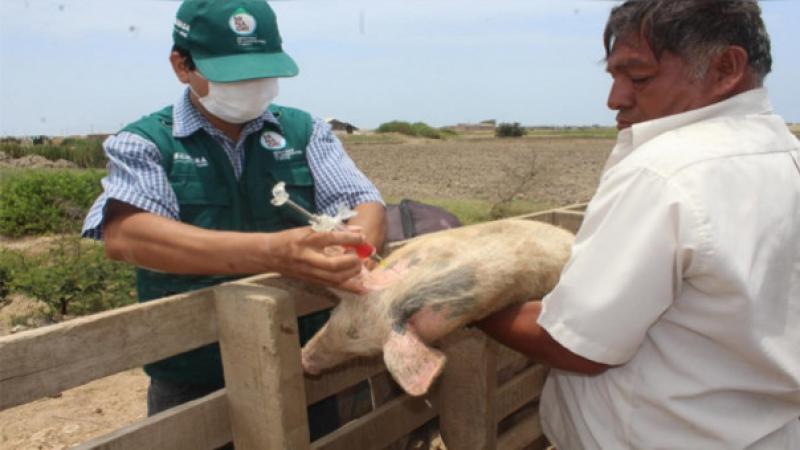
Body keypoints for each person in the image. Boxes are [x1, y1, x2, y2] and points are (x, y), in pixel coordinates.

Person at [478, 0, 800, 448]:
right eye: (614, 77)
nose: (615, 99)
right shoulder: (786, 155)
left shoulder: (665, 171)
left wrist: (473, 305)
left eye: (639, 77)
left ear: (727, 67)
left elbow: (578, 346)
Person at [81, 0, 385, 441]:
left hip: (302, 364)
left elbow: (362, 201)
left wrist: (358, 254)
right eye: (232, 73)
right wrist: (273, 253)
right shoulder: (146, 143)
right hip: (193, 372)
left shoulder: (304, 132)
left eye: (261, 72)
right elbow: (127, 234)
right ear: (181, 66)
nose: (250, 85)